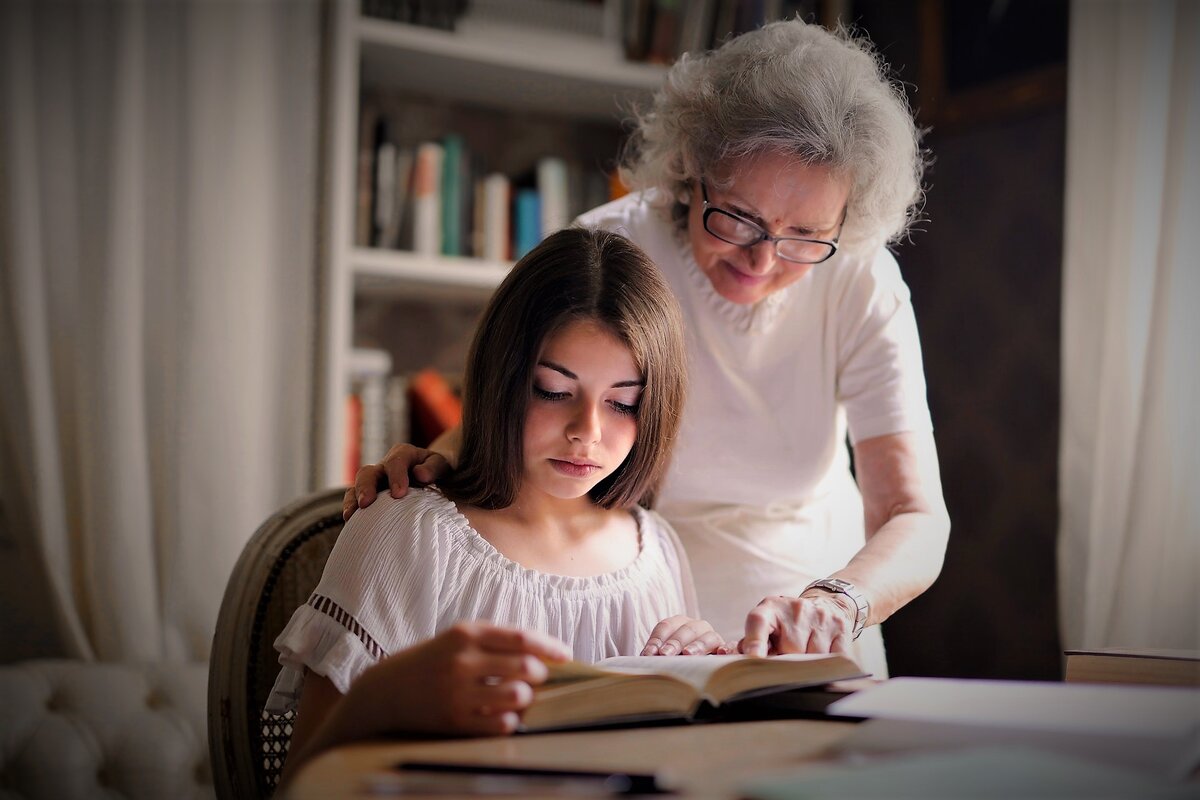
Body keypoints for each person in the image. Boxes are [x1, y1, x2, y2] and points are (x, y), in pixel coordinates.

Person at [348, 19, 950, 678]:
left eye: (805, 235)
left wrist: (839, 601)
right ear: (692, 170)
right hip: (648, 612)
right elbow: (533, 402)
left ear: (846, 222)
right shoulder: (613, 251)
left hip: (816, 625)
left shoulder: (858, 278)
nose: (761, 259)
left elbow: (913, 515)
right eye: (739, 218)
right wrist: (432, 464)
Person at [268, 228, 722, 782]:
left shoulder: (655, 550)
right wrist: (387, 694)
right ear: (503, 378)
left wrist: (703, 672)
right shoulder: (409, 533)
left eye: (624, 402)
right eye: (554, 391)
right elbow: (303, 777)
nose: (588, 432)